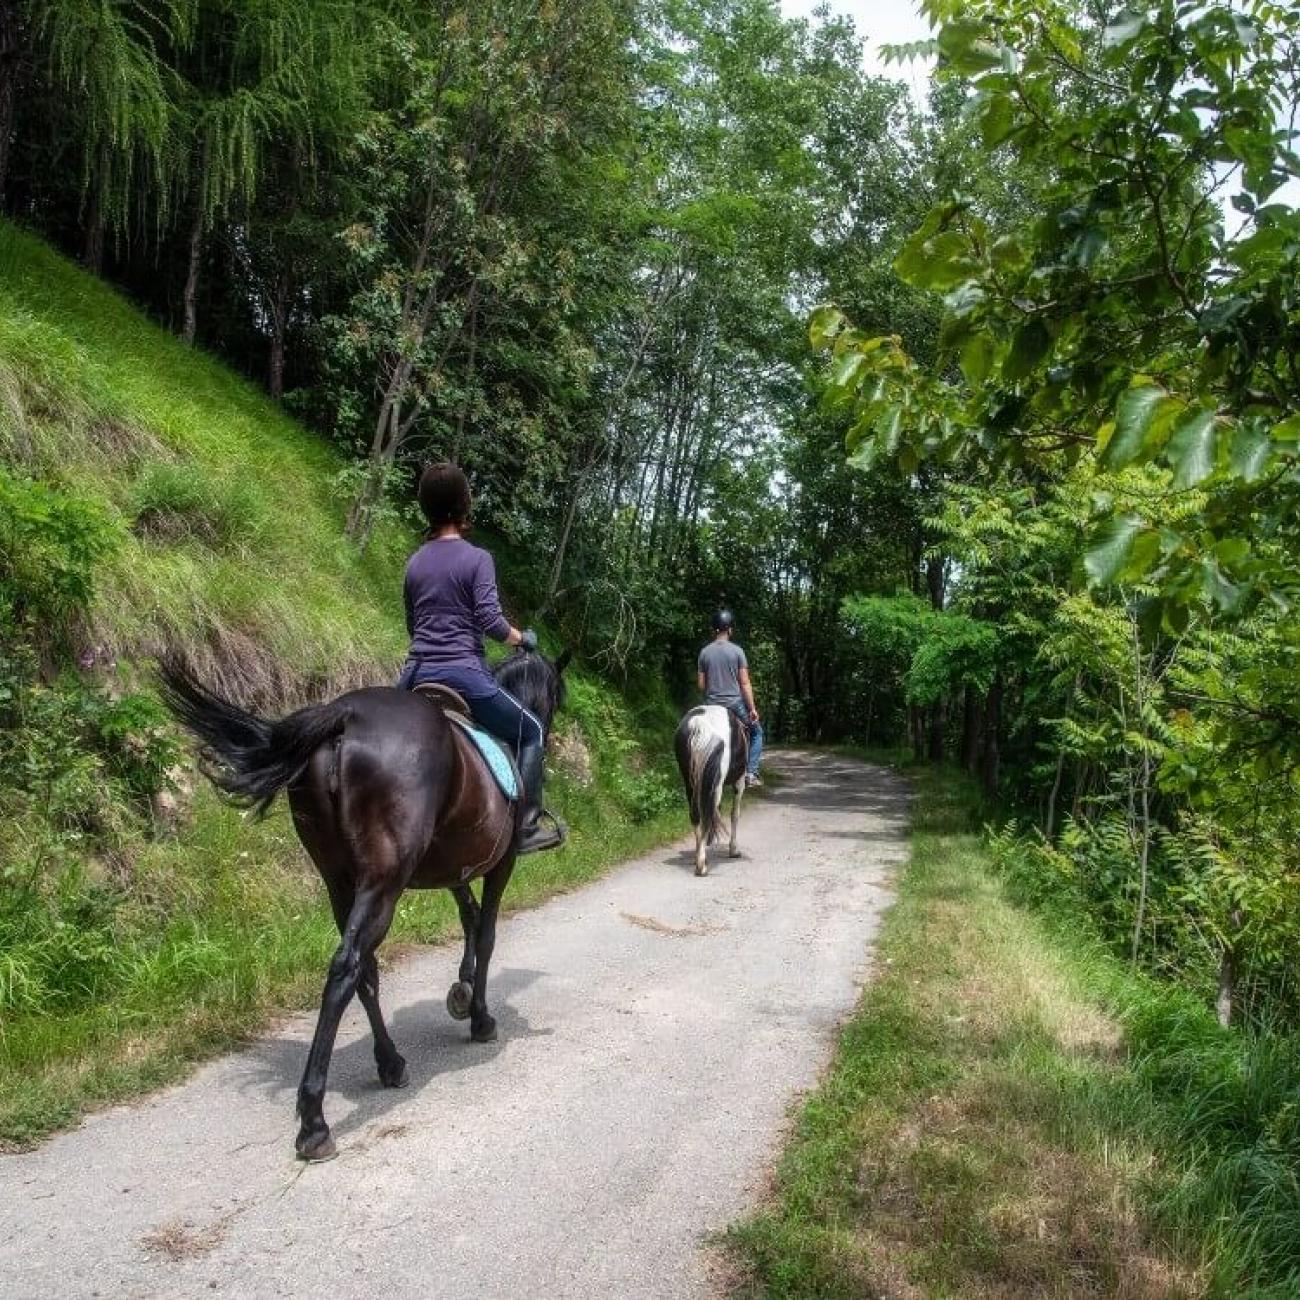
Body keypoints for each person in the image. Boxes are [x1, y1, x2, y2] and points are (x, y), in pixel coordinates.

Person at [397, 463, 563, 854]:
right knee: (533, 730)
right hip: (465, 677)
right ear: (464, 506)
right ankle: (525, 827)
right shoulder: (477, 559)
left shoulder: (415, 562)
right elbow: (490, 620)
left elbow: (412, 624)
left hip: (415, 676)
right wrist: (523, 638)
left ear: (427, 509)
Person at [697, 609, 763, 787]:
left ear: (714, 630)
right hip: (733, 704)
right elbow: (745, 683)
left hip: (711, 704)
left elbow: (702, 685)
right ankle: (751, 773)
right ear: (730, 630)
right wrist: (752, 709)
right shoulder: (738, 651)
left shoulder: (704, 653)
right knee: (757, 733)